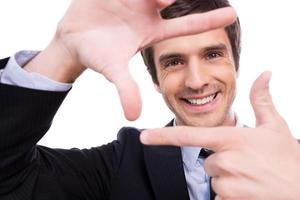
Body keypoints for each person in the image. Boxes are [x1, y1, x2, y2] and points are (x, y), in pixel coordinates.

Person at [0, 1, 298, 200]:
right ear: (155, 78)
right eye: (174, 62)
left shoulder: (293, 164)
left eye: (212, 54)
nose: (196, 81)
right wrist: (62, 53)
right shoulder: (120, 164)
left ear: (236, 62)